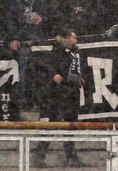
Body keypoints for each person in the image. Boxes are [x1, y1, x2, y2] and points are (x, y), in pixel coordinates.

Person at [33, 28, 85, 168]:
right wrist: (53, 74)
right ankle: (40, 156)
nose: (76, 41)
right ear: (67, 38)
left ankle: (71, 156)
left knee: (70, 126)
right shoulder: (57, 51)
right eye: (74, 38)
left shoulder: (73, 54)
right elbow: (42, 64)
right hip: (60, 93)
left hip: (71, 93)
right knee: (54, 123)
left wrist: (78, 79)